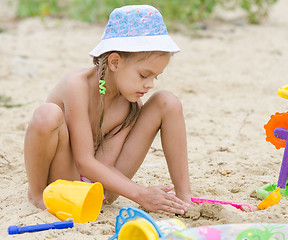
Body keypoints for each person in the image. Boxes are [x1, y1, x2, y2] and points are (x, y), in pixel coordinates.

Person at [24, 5, 192, 216]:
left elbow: (108, 162)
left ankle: (185, 198)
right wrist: (141, 194)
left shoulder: (130, 104)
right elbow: (84, 161)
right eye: (143, 75)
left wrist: (142, 193)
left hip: (100, 187)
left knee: (167, 101)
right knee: (47, 114)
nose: (150, 85)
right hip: (64, 179)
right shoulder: (78, 85)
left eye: (155, 77)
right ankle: (37, 195)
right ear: (114, 62)